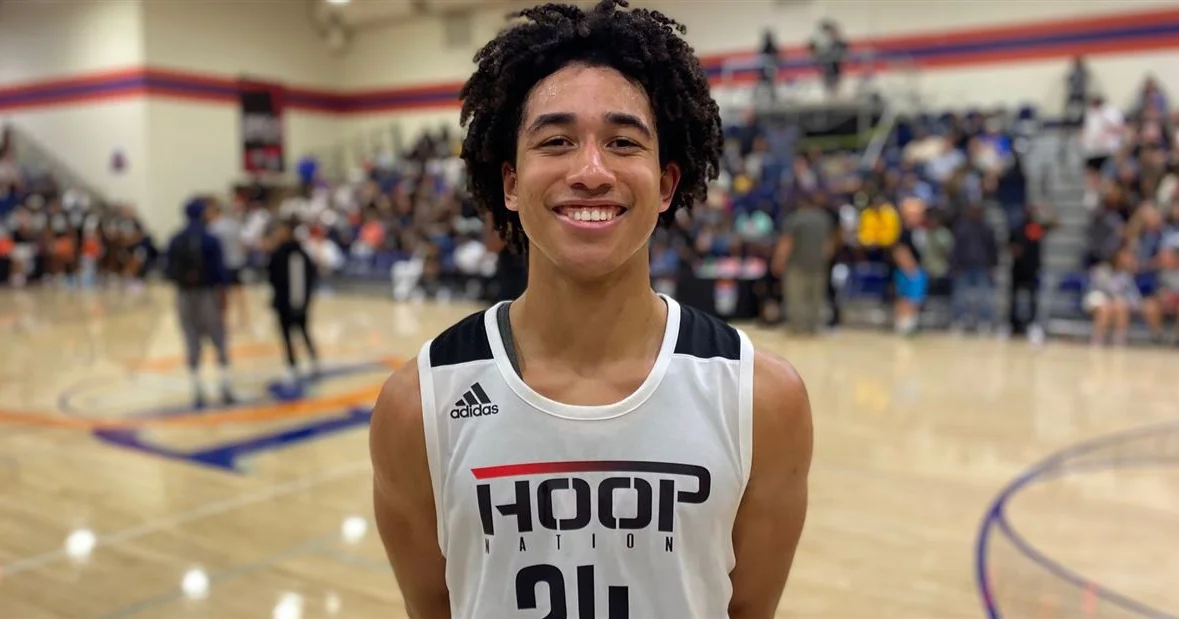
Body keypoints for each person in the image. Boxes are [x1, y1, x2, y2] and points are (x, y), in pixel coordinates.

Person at [369, 2, 813, 618]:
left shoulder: (762, 400)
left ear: (665, 184)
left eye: (623, 142)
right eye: (556, 141)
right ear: (511, 183)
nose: (591, 171)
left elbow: (749, 611)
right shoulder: (418, 405)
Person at [165, 197, 235, 408]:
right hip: (208, 295)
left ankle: (197, 389)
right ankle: (225, 386)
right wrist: (223, 299)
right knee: (219, 340)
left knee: (191, 340)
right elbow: (220, 273)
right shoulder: (211, 239)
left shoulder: (175, 239)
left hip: (184, 296)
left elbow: (167, 271)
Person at [265, 217, 320, 388]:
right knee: (289, 335)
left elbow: (308, 277)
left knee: (301, 331)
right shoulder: (282, 253)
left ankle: (310, 360)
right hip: (286, 302)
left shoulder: (297, 253)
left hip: (295, 301)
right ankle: (293, 364)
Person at [772, 194, 834, 334]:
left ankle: (797, 327)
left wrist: (779, 260)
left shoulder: (794, 219)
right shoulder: (824, 219)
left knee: (796, 297)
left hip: (797, 265)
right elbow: (829, 244)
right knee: (816, 297)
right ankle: (813, 327)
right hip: (819, 265)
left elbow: (787, 242)